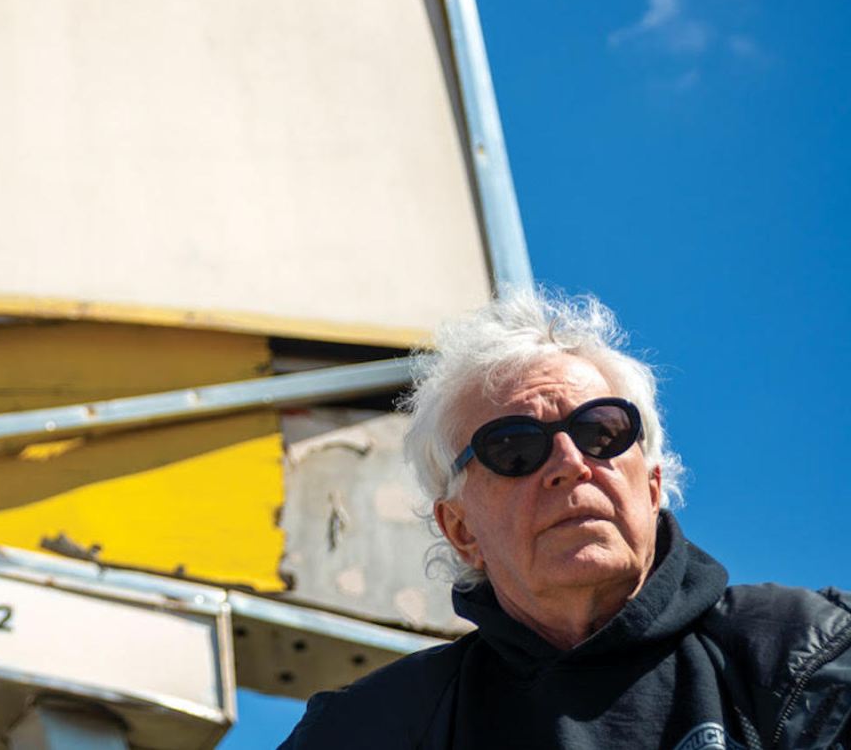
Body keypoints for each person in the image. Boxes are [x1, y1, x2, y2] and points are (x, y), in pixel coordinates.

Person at [279, 292, 850, 750]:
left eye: (601, 432)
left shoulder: (808, 651)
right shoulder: (370, 727)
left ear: (652, 486)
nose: (571, 464)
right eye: (514, 448)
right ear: (461, 529)